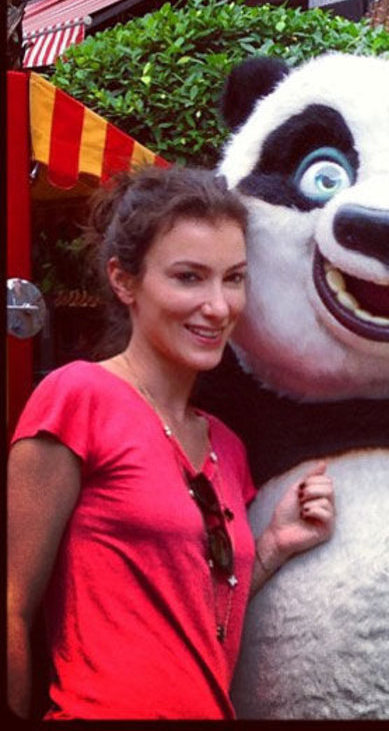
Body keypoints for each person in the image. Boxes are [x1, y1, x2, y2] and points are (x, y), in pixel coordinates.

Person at [6, 165, 335, 720]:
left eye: (234, 278)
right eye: (189, 277)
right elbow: (11, 605)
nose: (219, 306)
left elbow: (198, 620)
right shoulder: (79, 396)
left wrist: (273, 545)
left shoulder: (226, 445)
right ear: (123, 280)